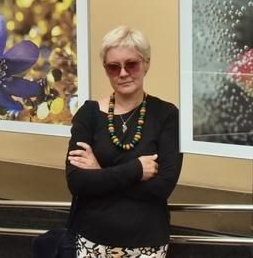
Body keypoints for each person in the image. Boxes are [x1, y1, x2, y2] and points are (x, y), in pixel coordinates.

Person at [66, 26, 183, 257]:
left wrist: (99, 172)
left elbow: (162, 188)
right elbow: (77, 183)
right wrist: (136, 169)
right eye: (113, 67)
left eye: (131, 64)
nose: (123, 73)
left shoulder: (167, 115)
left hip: (146, 241)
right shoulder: (88, 114)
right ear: (106, 70)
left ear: (146, 63)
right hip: (92, 239)